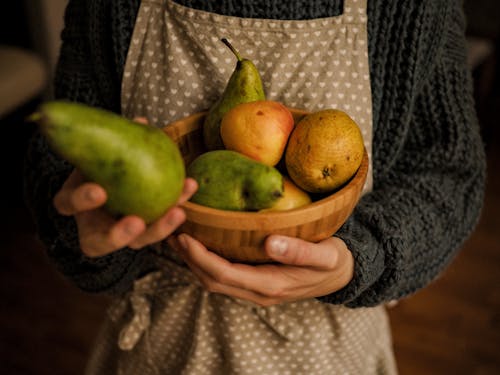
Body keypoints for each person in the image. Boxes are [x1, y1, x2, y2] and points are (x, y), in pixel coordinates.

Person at [24, 0, 486, 374]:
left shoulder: (411, 9)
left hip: (328, 349)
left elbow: (449, 172)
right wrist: (86, 230)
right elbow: (60, 155)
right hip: (163, 343)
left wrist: (359, 257)